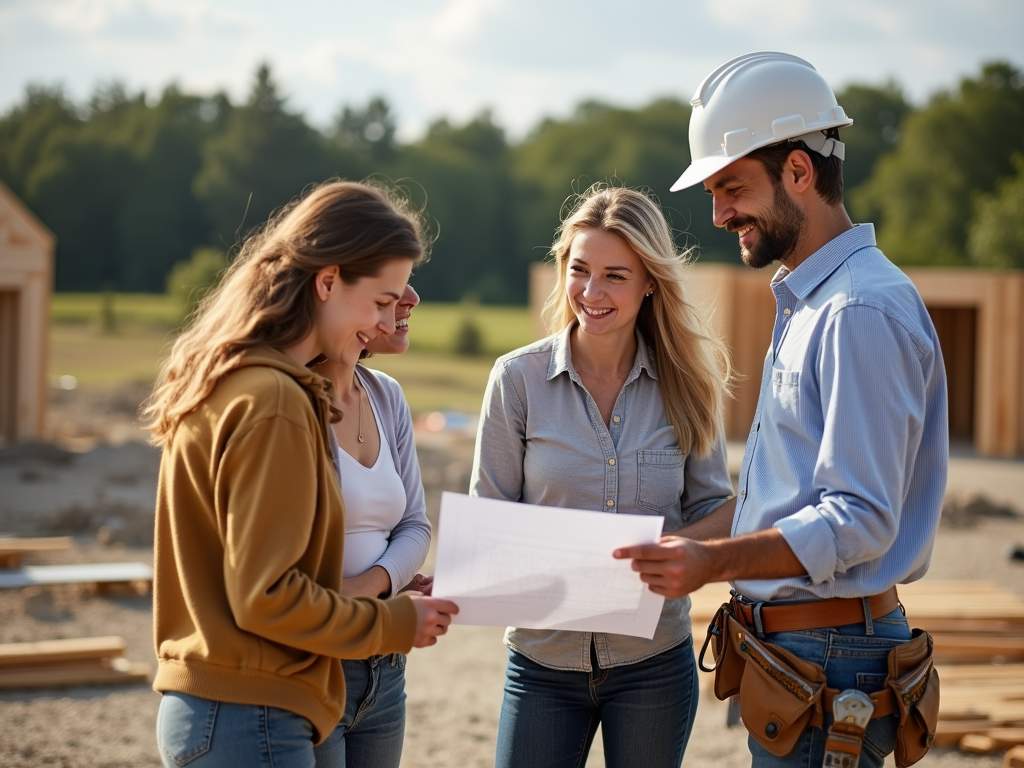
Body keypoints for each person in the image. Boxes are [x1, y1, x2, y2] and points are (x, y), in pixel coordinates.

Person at [615, 52, 948, 768]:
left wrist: (711, 561)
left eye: (732, 187)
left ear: (800, 171)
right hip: (813, 653)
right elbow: (781, 495)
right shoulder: (813, 301)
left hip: (835, 657)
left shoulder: (856, 311)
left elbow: (856, 517)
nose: (718, 213)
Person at [144, 181, 458, 768]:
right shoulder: (278, 399)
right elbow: (268, 597)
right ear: (328, 281)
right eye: (382, 301)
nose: (388, 320)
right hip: (253, 709)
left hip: (225, 703)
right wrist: (393, 621)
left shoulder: (233, 379)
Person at [470, 184, 734, 768]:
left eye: (616, 275)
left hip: (654, 666)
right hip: (541, 665)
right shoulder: (517, 381)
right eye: (580, 270)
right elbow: (488, 526)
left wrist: (667, 550)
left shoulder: (688, 386)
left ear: (649, 283)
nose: (592, 292)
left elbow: (722, 509)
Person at [310, 283, 432, 768]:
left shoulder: (386, 395)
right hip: (316, 659)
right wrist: (375, 592)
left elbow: (416, 526)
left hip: (384, 663)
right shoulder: (290, 400)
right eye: (394, 285)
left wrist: (370, 585)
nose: (413, 297)